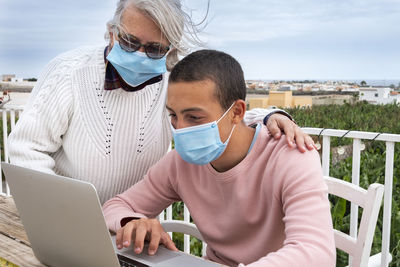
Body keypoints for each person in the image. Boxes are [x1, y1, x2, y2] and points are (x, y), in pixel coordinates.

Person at [7, 0, 315, 204]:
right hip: (66, 221)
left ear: (170, 49)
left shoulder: (172, 82)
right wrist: (64, 210)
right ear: (112, 33)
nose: (140, 54)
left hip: (132, 225)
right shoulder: (69, 72)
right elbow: (26, 148)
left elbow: (219, 115)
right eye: (129, 42)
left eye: (154, 49)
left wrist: (271, 115)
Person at [102, 49, 336, 267]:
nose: (180, 129)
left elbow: (316, 252)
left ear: (237, 112)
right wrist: (131, 222)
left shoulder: (291, 155)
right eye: (173, 115)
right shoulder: (179, 163)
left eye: (194, 117)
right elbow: (115, 206)